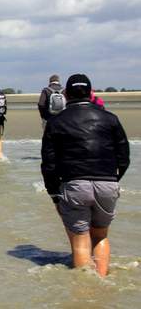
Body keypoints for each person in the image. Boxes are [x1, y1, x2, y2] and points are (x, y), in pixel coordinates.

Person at [41, 74, 130, 277]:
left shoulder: (56, 122)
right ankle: (101, 279)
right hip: (107, 183)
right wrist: (113, 179)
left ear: (66, 94)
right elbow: (124, 156)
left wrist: (54, 193)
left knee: (81, 240)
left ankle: (86, 292)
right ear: (91, 93)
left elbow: (48, 163)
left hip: (75, 186)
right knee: (100, 236)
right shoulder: (110, 119)